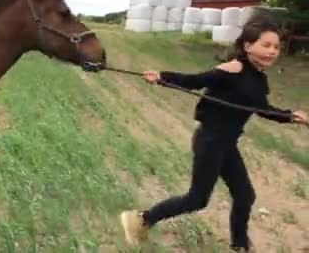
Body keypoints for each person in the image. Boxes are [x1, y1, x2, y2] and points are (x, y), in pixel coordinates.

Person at [119, 20, 308, 252]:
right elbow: (195, 81)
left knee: (244, 195)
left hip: (227, 144)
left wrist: (291, 116)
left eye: (276, 48)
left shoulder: (258, 78)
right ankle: (142, 219)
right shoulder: (234, 68)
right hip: (210, 141)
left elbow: (262, 109)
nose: (272, 51)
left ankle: (239, 246)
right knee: (197, 199)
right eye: (266, 45)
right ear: (248, 46)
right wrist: (161, 77)